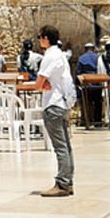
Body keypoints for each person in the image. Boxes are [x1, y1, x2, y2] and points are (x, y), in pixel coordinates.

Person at [20, 25, 74, 197]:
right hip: (62, 103)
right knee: (65, 146)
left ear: (45, 38)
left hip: (52, 105)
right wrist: (44, 84)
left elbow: (38, 83)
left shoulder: (50, 56)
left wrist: (39, 85)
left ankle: (63, 183)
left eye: (40, 37)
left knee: (60, 147)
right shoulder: (60, 55)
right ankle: (67, 181)